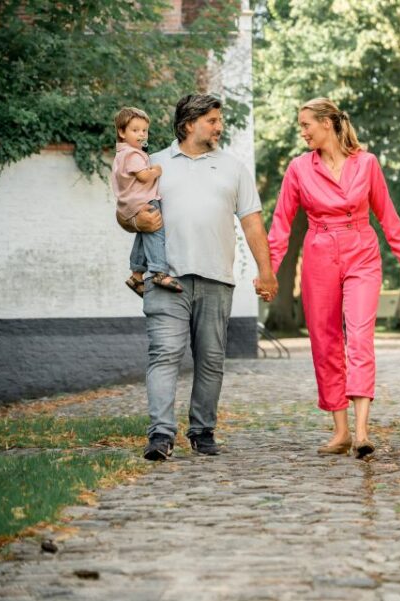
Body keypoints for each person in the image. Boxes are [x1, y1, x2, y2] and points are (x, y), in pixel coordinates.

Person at [116, 94, 278, 461]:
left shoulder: (234, 168)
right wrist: (134, 222)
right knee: (164, 353)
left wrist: (265, 272)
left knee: (210, 359)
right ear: (189, 124)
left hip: (216, 278)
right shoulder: (152, 163)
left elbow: (252, 222)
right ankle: (160, 434)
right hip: (164, 278)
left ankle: (202, 430)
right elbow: (125, 210)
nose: (219, 127)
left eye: (219, 120)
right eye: (213, 120)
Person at [267, 97, 400, 459]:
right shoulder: (298, 169)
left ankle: (363, 431)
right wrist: (269, 270)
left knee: (360, 337)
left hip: (361, 251)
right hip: (319, 254)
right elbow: (281, 222)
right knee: (325, 341)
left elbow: (387, 215)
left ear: (327, 123)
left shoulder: (366, 163)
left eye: (306, 124)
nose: (302, 131)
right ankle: (340, 431)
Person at [111, 107, 182, 297]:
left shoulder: (122, 154)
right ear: (122, 132)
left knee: (144, 234)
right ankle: (159, 271)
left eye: (144, 130)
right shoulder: (133, 154)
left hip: (130, 203)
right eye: (135, 130)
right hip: (143, 200)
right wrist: (156, 171)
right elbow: (143, 177)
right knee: (155, 232)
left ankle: (136, 275)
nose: (141, 134)